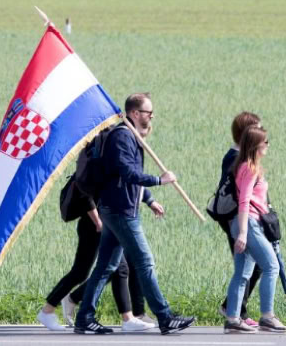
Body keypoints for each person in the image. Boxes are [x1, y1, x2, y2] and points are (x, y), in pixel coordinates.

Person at [73, 93, 195, 335]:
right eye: (149, 112)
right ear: (135, 113)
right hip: (120, 211)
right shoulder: (122, 137)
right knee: (145, 262)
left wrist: (148, 199)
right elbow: (128, 173)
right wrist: (159, 180)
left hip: (118, 207)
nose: (152, 116)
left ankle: (84, 317)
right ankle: (165, 317)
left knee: (106, 266)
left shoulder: (130, 136)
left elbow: (124, 176)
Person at [39, 123, 162, 333]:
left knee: (106, 269)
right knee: (95, 270)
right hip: (94, 222)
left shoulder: (106, 149)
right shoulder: (97, 153)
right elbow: (85, 192)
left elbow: (129, 181)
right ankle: (54, 309)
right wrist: (98, 221)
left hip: (102, 219)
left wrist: (149, 201)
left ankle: (124, 317)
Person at [222, 126, 286, 333]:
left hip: (244, 223)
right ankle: (267, 316)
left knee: (242, 274)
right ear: (255, 145)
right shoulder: (250, 169)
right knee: (271, 266)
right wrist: (242, 233)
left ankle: (233, 319)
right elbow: (244, 200)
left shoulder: (243, 166)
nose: (267, 145)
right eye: (265, 142)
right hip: (249, 223)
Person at [213, 111, 263, 329]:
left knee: (250, 265)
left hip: (237, 217)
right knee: (250, 265)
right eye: (258, 130)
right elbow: (240, 194)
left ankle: (236, 310)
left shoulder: (235, 156)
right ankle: (234, 311)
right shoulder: (235, 158)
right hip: (237, 218)